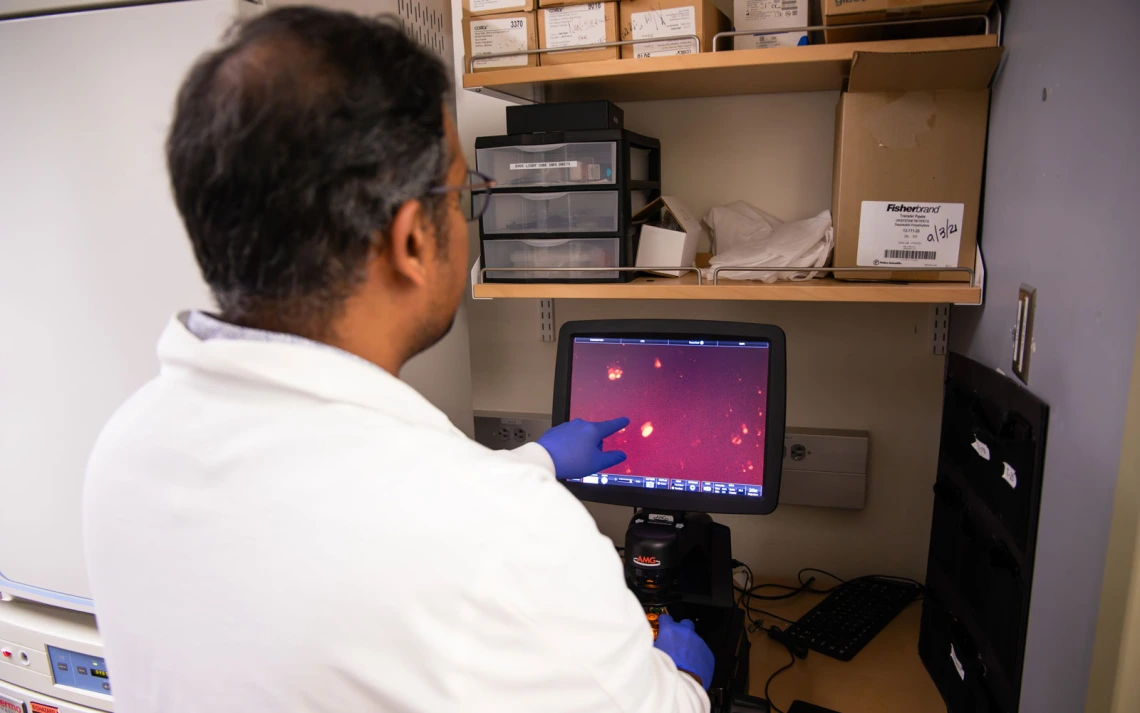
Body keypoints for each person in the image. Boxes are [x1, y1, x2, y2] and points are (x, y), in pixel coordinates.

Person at [82, 6, 714, 712]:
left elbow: (338, 514)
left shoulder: (124, 449)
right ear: (413, 240)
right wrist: (684, 675)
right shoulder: (509, 533)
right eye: (464, 195)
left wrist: (533, 462)